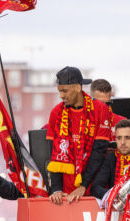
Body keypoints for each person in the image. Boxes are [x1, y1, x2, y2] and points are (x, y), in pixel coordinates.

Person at [46, 66, 111, 205]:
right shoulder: (56, 113)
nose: (61, 95)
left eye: (64, 91)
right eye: (59, 91)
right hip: (65, 194)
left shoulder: (100, 108)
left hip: (93, 190)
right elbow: (53, 153)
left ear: (77, 87)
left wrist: (83, 186)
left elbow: (99, 151)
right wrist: (56, 189)